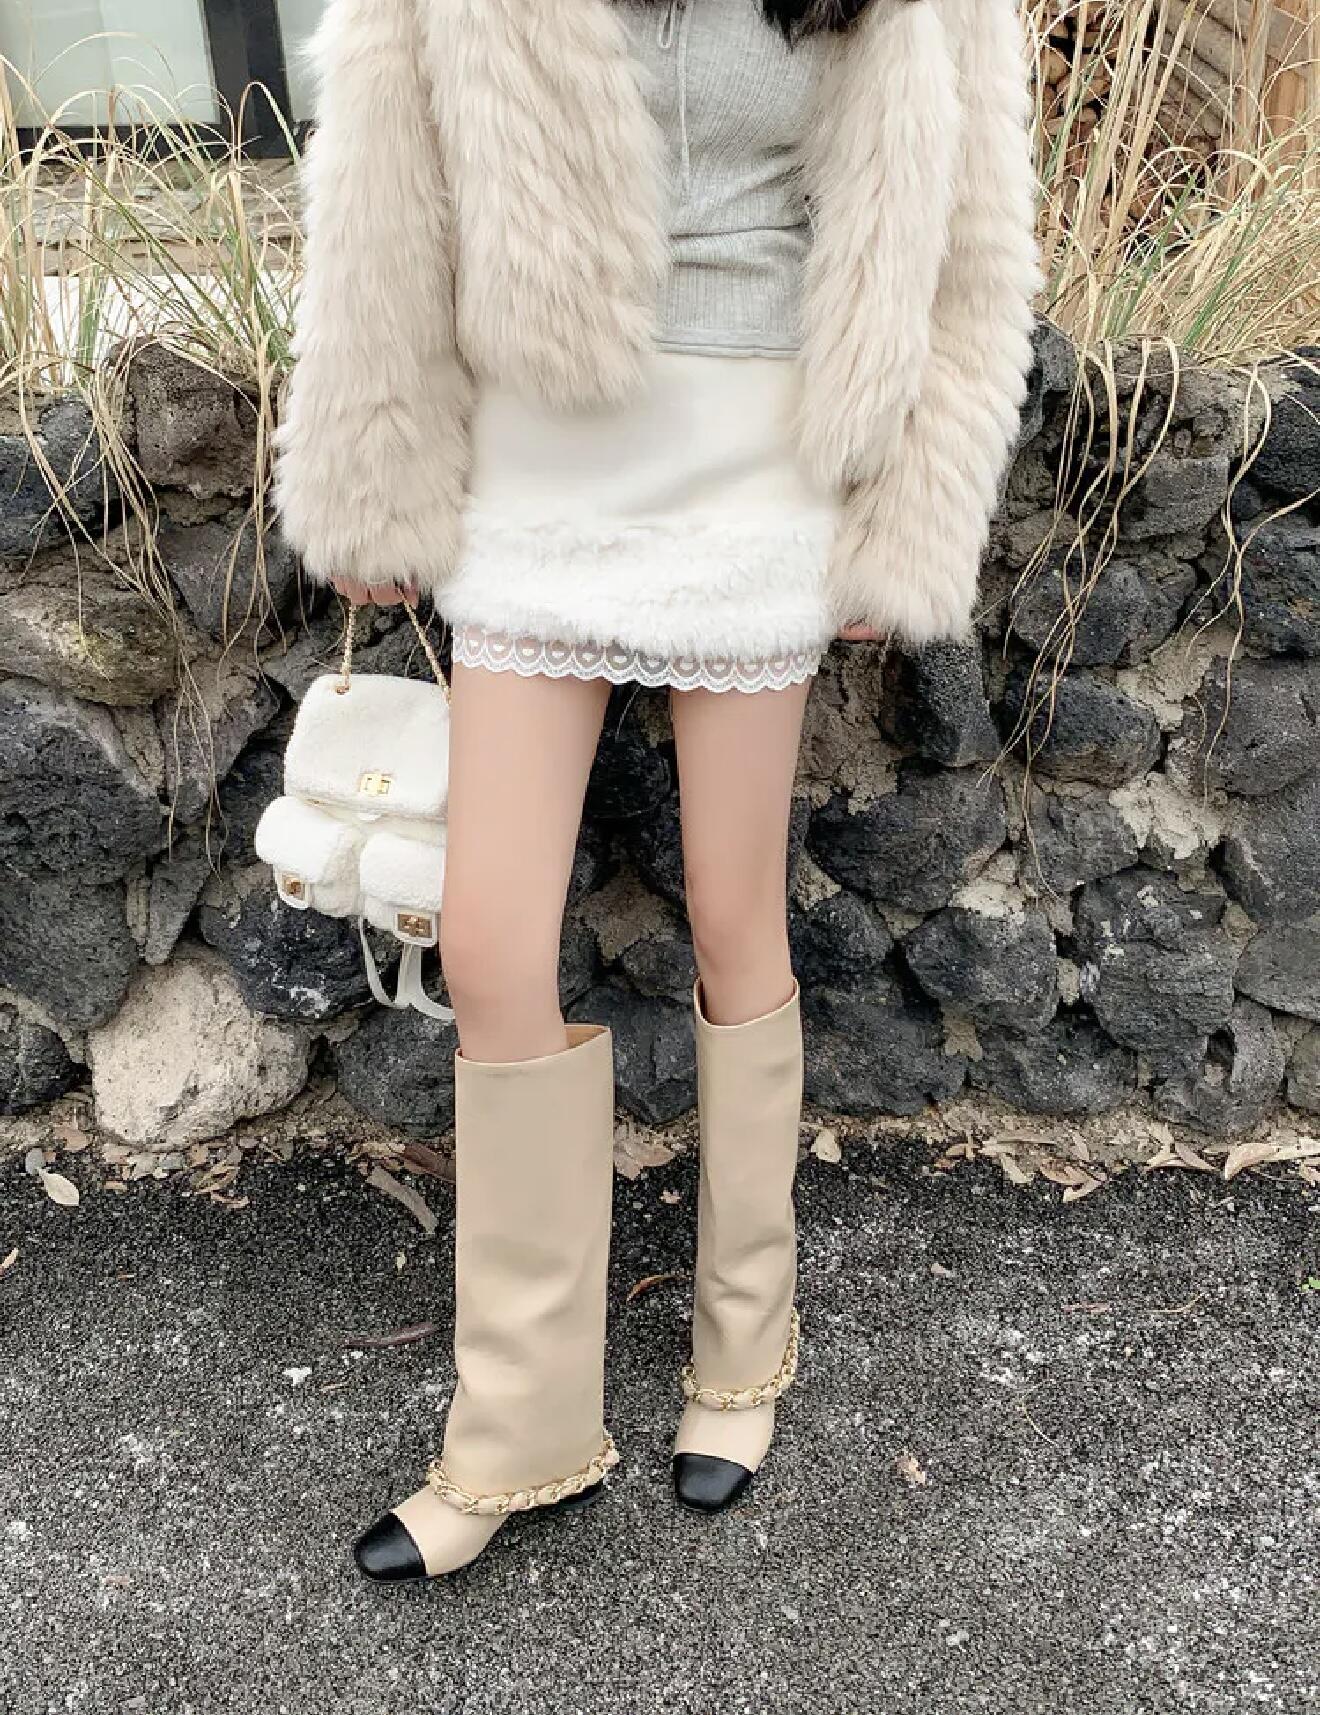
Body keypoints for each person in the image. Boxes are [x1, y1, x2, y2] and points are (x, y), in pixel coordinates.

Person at [274, 0, 1040, 1583]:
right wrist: (372, 466)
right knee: (488, 945)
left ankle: (743, 1349)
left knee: (735, 919)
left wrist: (903, 513)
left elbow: (968, 243)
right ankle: (517, 1427)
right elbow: (385, 193)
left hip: (764, 469)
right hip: (539, 470)